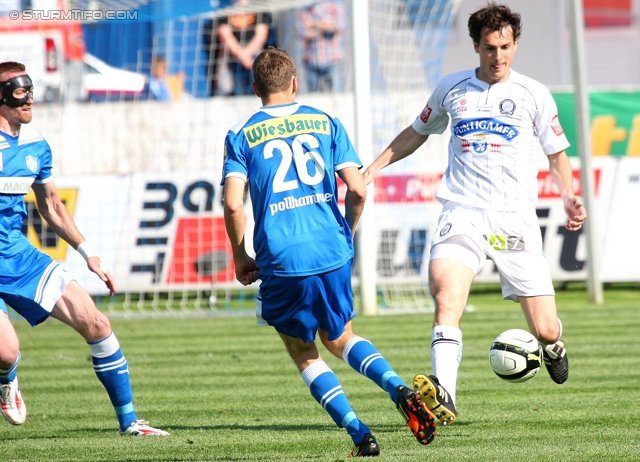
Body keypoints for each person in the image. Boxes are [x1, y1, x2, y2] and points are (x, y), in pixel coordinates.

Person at [363, 2, 586, 425]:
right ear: (475, 47)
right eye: (488, 48)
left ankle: (554, 346)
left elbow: (557, 155)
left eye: (504, 47)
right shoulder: (452, 88)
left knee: (546, 330)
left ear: (515, 44)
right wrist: (372, 168)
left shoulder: (533, 94)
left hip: (513, 219)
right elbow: (416, 132)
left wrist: (568, 195)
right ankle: (445, 393)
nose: (497, 56)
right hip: (461, 211)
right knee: (446, 297)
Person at [222, 47, 436, 457]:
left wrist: (240, 254)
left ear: (254, 88)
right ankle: (397, 387)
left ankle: (360, 433)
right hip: (331, 248)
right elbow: (357, 188)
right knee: (341, 336)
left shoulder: (240, 134)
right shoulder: (326, 121)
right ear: (295, 83)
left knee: (304, 351)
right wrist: (347, 233)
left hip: (283, 259)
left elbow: (233, 204)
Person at [0, 61, 168, 436]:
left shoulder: (35, 146)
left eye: (30, 89)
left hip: (17, 254)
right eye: (19, 91)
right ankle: (6, 377)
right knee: (6, 351)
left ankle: (129, 423)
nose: (29, 99)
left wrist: (88, 252)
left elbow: (53, 206)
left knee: (97, 322)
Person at [216, 0, 272, 96]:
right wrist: (241, 55)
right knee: (223, 55)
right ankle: (226, 93)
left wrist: (247, 54)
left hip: (253, 52)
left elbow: (261, 36)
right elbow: (224, 35)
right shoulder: (225, 8)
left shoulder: (259, 7)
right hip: (233, 53)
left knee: (262, 56)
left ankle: (264, 91)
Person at [295, 1, 346, 93]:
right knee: (313, 98)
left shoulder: (334, 6)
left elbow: (339, 26)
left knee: (336, 95)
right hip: (311, 61)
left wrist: (313, 25)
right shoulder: (306, 9)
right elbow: (300, 31)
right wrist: (323, 28)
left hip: (332, 60)